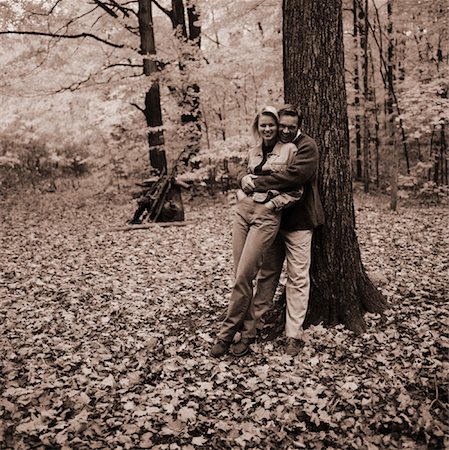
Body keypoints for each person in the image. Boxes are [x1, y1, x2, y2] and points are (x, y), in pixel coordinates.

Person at [210, 106, 304, 358]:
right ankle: (246, 329)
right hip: (243, 212)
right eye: (263, 125)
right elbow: (241, 174)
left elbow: (296, 189)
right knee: (239, 274)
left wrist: (273, 205)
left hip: (266, 216)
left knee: (245, 275)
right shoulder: (253, 150)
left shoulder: (290, 150)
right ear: (257, 127)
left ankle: (228, 333)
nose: (268, 129)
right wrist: (241, 190)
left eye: (272, 125)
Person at [241, 104, 324, 357]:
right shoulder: (273, 143)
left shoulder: (307, 146)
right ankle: (250, 330)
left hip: (299, 222)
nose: (286, 131)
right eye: (282, 126)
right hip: (272, 221)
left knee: (298, 277)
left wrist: (256, 184)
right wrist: (242, 179)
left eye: (291, 127)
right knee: (267, 275)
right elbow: (252, 164)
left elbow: (294, 177)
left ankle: (293, 335)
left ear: (300, 125)